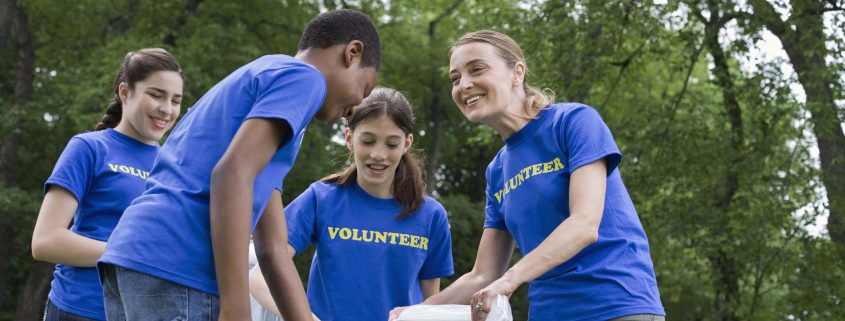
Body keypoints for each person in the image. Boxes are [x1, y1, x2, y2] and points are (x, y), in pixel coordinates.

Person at [98, 9, 380, 321]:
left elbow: (272, 248)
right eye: (364, 89)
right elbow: (230, 175)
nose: (356, 107)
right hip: (178, 266)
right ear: (352, 53)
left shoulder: (271, 97)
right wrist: (236, 307)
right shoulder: (304, 78)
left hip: (135, 258)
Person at [391, 30, 664, 321]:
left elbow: (584, 223)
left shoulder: (573, 122)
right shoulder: (497, 171)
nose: (464, 85)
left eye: (477, 69)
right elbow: (484, 274)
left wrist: (509, 281)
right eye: (455, 78)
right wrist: (417, 312)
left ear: (517, 72)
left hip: (616, 305)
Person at [250, 88, 454, 321]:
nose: (378, 154)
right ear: (349, 138)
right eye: (367, 141)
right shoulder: (321, 199)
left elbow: (431, 307)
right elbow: (259, 278)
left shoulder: (431, 215)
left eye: (392, 144)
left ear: (407, 143)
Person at [31, 48, 183, 321]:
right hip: (79, 309)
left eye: (176, 100)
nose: (167, 109)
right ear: (125, 92)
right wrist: (134, 252)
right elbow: (45, 241)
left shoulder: (176, 166)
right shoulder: (89, 148)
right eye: (156, 95)